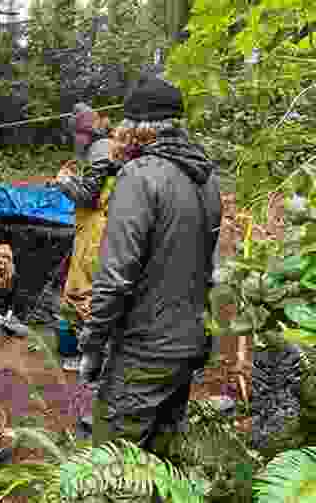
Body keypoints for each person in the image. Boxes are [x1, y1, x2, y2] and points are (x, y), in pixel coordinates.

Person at [75, 74, 222, 462]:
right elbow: (208, 267)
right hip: (188, 344)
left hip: (144, 351)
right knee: (158, 464)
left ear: (135, 128)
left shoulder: (138, 178)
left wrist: (91, 348)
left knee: (112, 470)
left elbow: (113, 279)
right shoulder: (206, 178)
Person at [49, 104, 119, 372]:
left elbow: (89, 197)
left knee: (83, 294)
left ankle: (92, 358)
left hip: (96, 230)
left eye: (75, 134)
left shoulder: (100, 150)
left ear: (86, 132)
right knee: (90, 291)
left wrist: (65, 182)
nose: (73, 140)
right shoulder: (108, 147)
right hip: (99, 227)